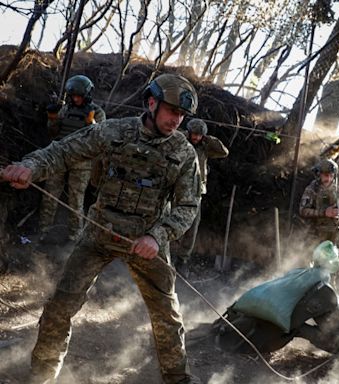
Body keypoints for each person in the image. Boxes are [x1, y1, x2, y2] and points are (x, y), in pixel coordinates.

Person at [1, 73, 202, 384]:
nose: (177, 120)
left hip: (147, 241)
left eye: (181, 115)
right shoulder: (114, 131)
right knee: (60, 304)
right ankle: (41, 373)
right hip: (99, 233)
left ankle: (178, 378)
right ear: (151, 103)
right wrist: (31, 166)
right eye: (172, 111)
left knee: (167, 314)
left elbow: (188, 206)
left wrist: (157, 236)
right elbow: (64, 151)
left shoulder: (184, 153)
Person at [40, 74, 106, 242]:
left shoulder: (97, 112)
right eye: (73, 96)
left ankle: (75, 236)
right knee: (50, 195)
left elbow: (101, 138)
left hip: (82, 161)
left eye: (79, 96)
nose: (76, 99)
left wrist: (91, 123)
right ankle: (43, 231)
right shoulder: (66, 109)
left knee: (76, 200)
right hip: (60, 156)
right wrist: (52, 118)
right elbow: (53, 133)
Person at [175, 118, 229, 274]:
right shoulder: (180, 140)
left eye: (199, 135)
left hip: (196, 191)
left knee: (192, 226)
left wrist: (208, 139)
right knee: (168, 218)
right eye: (194, 134)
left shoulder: (205, 147)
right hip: (176, 188)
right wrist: (184, 135)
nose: (196, 138)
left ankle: (183, 259)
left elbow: (223, 152)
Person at [299, 158, 339, 250]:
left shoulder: (337, 190)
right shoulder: (312, 190)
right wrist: (324, 213)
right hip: (315, 236)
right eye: (326, 175)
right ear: (319, 175)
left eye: (331, 176)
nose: (329, 179)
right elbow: (303, 211)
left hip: (333, 236)